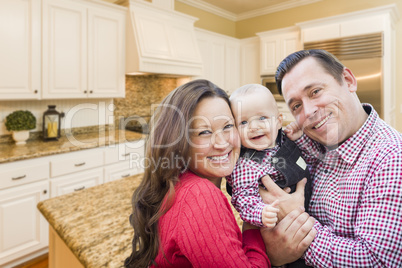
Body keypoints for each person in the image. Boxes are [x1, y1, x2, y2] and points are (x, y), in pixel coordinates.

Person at [123, 79, 316, 268]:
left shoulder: (180, 183)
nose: (222, 143)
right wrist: (263, 244)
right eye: (204, 132)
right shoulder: (199, 195)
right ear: (179, 143)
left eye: (227, 126)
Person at [260, 49, 402, 267]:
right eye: (296, 105)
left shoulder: (391, 158)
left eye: (315, 91)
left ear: (348, 80)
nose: (307, 111)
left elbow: (378, 261)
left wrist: (296, 228)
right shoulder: (314, 144)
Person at [226, 84, 311, 228]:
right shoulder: (245, 164)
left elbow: (309, 157)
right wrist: (261, 213)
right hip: (279, 224)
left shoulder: (285, 139)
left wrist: (299, 137)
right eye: (244, 122)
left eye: (262, 118)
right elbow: (243, 199)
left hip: (311, 209)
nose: (254, 127)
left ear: (278, 121)